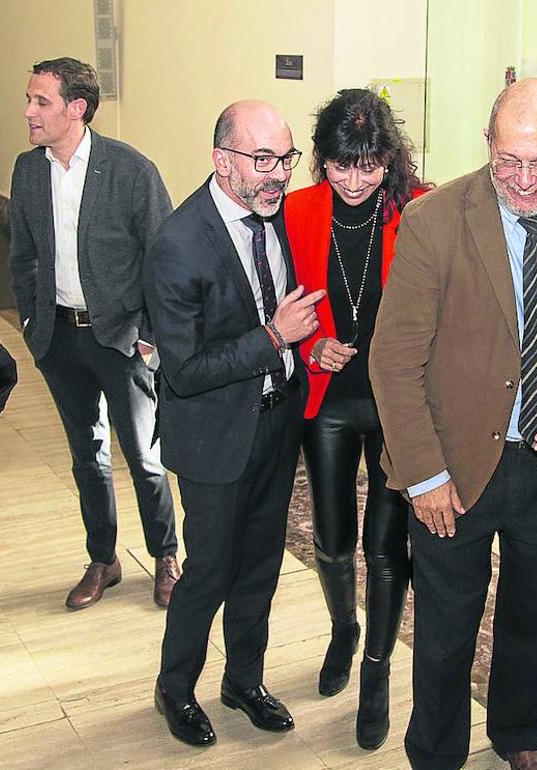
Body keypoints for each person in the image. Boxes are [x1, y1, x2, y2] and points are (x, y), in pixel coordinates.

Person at [369, 79, 537, 770]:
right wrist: (424, 476)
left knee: (536, 620)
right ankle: (435, 754)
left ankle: (519, 739)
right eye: (508, 159)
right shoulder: (435, 220)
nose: (522, 179)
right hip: (455, 468)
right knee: (446, 630)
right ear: (488, 144)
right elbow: (393, 360)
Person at [144, 100, 323, 747]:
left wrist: (306, 348)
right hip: (214, 439)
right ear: (222, 161)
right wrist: (275, 336)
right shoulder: (178, 244)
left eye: (285, 158)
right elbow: (184, 371)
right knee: (211, 570)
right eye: (262, 160)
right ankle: (174, 687)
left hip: (276, 426)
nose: (277, 174)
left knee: (261, 566)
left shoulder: (275, 219)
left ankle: (242, 681)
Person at [283, 88, 430, 750]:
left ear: (388, 159)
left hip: (399, 401)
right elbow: (277, 298)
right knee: (337, 540)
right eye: (340, 165)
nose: (352, 179)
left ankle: (376, 671)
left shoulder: (420, 210)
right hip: (332, 398)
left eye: (367, 165)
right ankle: (344, 626)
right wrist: (309, 344)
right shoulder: (297, 211)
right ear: (322, 160)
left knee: (385, 546)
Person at [8, 57, 180, 610]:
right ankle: (102, 559)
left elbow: (163, 259)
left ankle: (165, 556)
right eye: (30, 100)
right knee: (87, 454)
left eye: (42, 102)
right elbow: (24, 255)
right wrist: (34, 321)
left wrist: (150, 336)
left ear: (76, 109)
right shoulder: (28, 170)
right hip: (59, 338)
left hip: (120, 337)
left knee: (144, 455)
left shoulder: (130, 170)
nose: (29, 111)